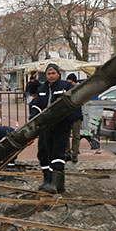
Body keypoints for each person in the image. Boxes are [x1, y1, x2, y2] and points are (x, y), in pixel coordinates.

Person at [30, 63, 79, 194]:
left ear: (58, 74)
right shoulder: (42, 88)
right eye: (49, 74)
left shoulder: (65, 86)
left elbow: (72, 103)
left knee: (57, 154)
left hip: (60, 126)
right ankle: (48, 180)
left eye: (53, 73)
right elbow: (36, 105)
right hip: (45, 126)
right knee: (43, 153)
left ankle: (55, 184)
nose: (51, 76)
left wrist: (70, 119)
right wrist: (33, 117)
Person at [64, 73, 83, 163]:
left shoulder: (78, 90)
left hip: (76, 116)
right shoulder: (66, 90)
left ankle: (74, 154)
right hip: (67, 116)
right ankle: (67, 154)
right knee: (66, 136)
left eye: (70, 82)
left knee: (76, 136)